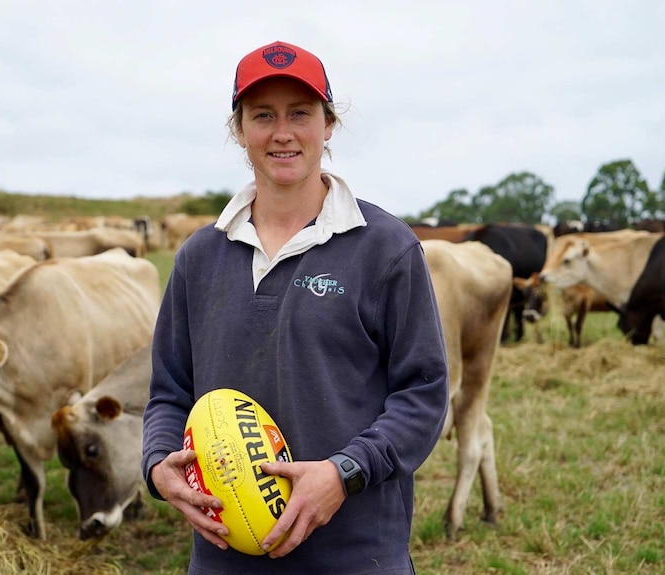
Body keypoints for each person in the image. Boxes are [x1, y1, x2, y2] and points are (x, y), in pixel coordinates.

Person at [141, 40, 450, 574]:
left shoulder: (385, 248)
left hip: (357, 555)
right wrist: (158, 467)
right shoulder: (198, 256)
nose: (282, 132)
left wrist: (344, 472)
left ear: (328, 124)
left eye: (300, 113)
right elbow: (169, 393)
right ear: (239, 130)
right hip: (223, 558)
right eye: (263, 115)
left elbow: (422, 395)